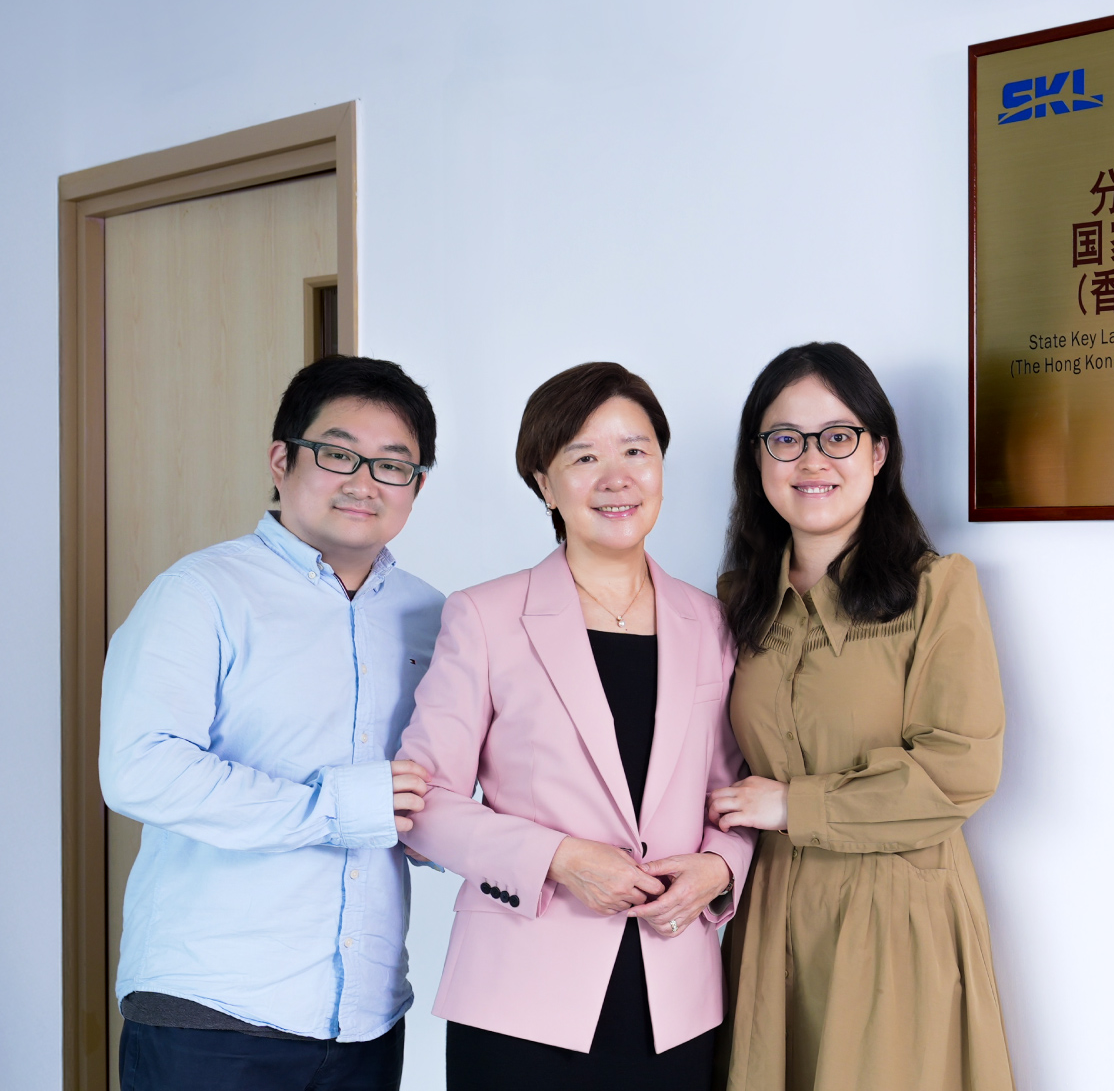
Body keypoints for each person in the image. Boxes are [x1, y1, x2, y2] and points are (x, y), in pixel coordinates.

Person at [396, 362, 756, 1090]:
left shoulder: (709, 620)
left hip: (674, 991)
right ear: (543, 483)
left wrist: (719, 868)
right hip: (519, 998)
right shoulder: (485, 615)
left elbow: (732, 788)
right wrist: (558, 857)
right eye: (584, 458)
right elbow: (421, 803)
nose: (616, 477)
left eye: (636, 451)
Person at [99, 355, 446, 1091]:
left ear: (416, 487)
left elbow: (437, 787)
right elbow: (140, 768)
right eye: (337, 453)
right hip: (213, 1012)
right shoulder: (201, 593)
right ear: (282, 460)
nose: (364, 482)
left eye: (394, 465)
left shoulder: (432, 617)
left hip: (367, 1015)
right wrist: (342, 806)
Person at [709, 342, 1016, 1091]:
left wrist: (794, 803)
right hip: (767, 913)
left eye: (837, 437)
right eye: (785, 439)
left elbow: (959, 771)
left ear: (878, 453)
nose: (811, 460)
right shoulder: (734, 603)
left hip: (893, 922)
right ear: (758, 461)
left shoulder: (938, 590)